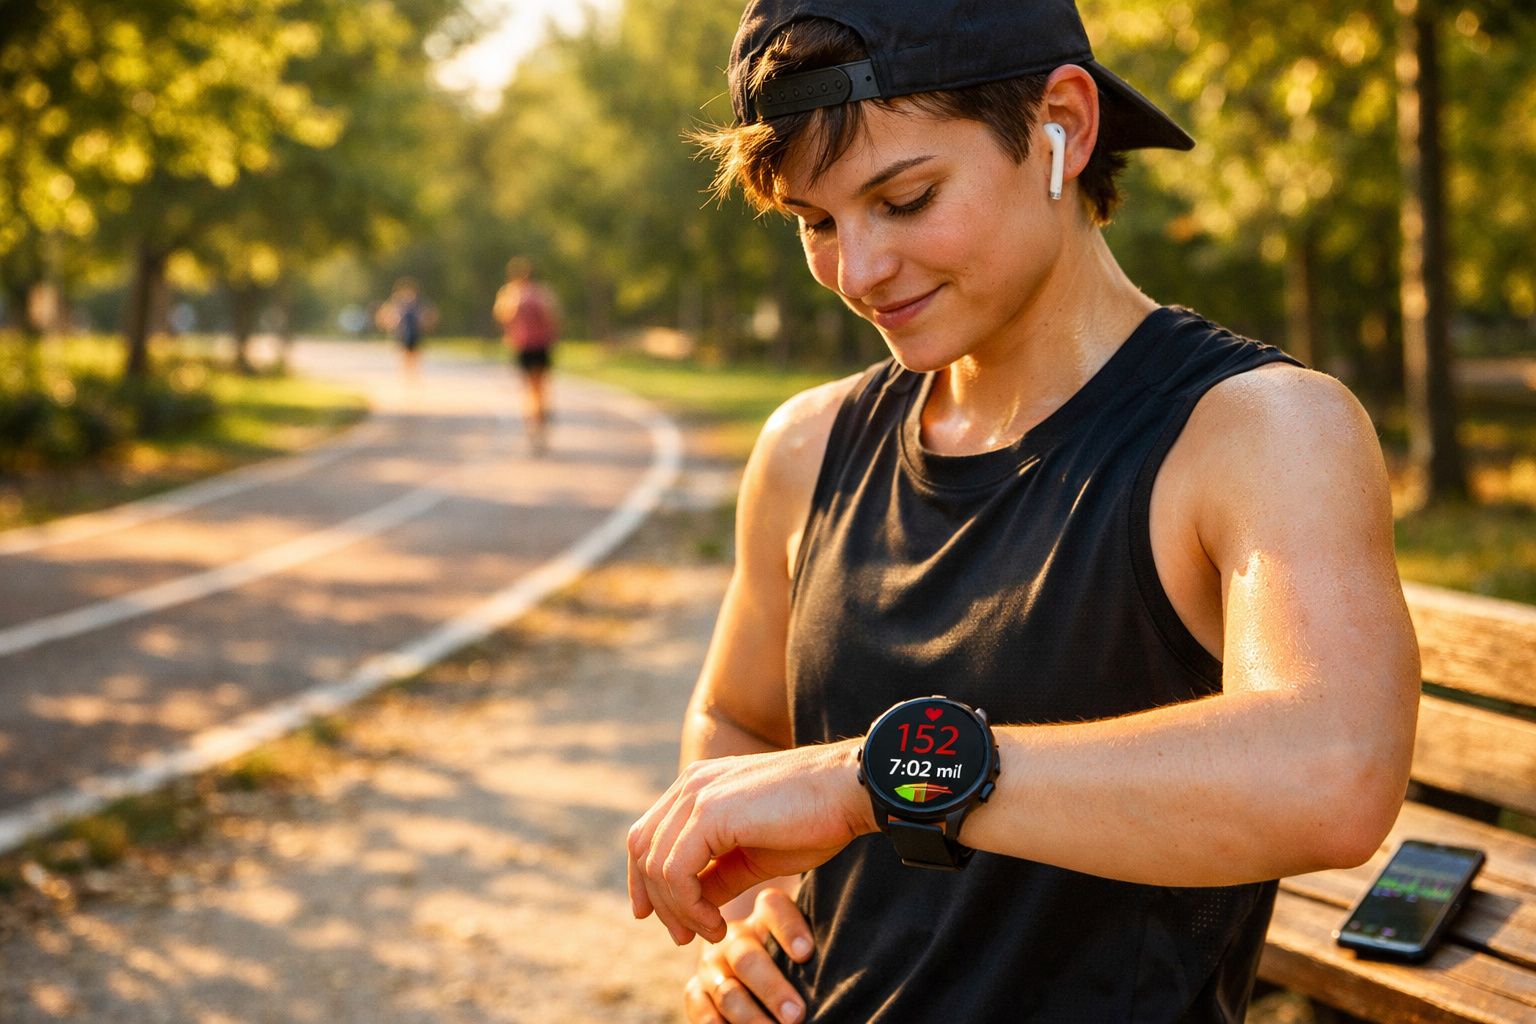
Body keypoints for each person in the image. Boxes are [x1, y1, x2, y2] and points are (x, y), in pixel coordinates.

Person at [625, 2, 1421, 1022]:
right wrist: (748, 910)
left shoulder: (1260, 431)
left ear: (1065, 127)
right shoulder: (805, 447)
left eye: (905, 199)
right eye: (815, 223)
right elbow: (736, 717)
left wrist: (879, 780)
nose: (857, 272)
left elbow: (1333, 769)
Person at [493, 257, 560, 453]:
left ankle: (534, 422)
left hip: (524, 346)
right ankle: (539, 418)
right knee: (539, 386)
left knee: (529, 387)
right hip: (541, 344)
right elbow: (553, 317)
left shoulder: (509, 293)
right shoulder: (543, 292)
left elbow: (503, 318)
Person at [376, 277, 434, 380]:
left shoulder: (417, 304)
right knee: (404, 354)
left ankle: (413, 374)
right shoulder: (397, 303)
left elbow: (427, 316)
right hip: (402, 333)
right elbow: (387, 315)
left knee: (415, 354)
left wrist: (425, 324)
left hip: (415, 333)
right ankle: (406, 375)